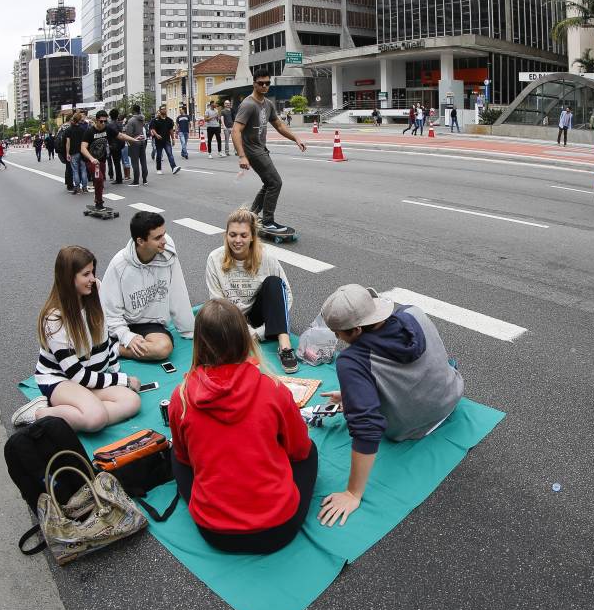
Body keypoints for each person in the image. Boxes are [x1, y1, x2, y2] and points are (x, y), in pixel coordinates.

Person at [168, 299, 317, 554]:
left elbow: (185, 459)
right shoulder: (274, 390)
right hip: (279, 529)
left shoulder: (181, 397)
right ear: (245, 338)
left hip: (214, 532)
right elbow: (299, 451)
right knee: (310, 451)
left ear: (199, 343)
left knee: (176, 455)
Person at [315, 285, 463, 526]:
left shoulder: (351, 361)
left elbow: (367, 427)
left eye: (338, 332)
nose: (336, 338)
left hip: (412, 428)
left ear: (356, 330)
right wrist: (351, 394)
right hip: (450, 396)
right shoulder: (414, 312)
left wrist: (353, 493)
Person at [13, 245, 143, 430]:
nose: (93, 279)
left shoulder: (95, 289)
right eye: (86, 274)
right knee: (95, 418)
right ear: (69, 278)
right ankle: (40, 412)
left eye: (92, 272)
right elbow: (76, 375)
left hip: (89, 377)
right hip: (62, 379)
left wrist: (115, 371)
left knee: (132, 401)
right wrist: (123, 380)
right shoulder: (54, 319)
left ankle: (77, 413)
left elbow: (104, 339)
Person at [205, 208, 299, 373]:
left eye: (243, 235)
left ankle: (285, 346)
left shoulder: (267, 258)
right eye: (232, 235)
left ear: (253, 237)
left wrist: (257, 333)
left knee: (274, 282)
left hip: (259, 316)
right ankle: (252, 335)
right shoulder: (214, 258)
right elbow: (217, 300)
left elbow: (286, 296)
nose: (237, 240)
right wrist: (243, 330)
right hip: (231, 318)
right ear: (226, 235)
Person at [101, 211, 195, 362]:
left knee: (163, 348)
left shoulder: (167, 252)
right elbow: (109, 312)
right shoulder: (119, 265)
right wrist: (126, 336)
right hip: (123, 323)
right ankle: (115, 347)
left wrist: (190, 331)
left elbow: (178, 292)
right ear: (140, 241)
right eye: (157, 238)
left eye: (164, 234)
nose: (164, 240)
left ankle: (115, 348)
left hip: (150, 324)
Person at [232, 69, 308, 236]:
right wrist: (242, 155)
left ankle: (251, 216)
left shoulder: (267, 104)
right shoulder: (248, 104)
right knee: (275, 182)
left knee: (269, 183)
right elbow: (235, 130)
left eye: (267, 83)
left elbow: (279, 125)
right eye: (261, 83)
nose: (264, 86)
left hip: (261, 148)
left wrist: (295, 138)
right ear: (254, 84)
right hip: (252, 151)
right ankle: (268, 221)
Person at [149, 105, 181, 175]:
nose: (164, 110)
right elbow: (153, 129)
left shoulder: (169, 120)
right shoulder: (155, 120)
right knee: (159, 155)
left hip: (167, 140)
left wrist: (173, 139)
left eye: (165, 109)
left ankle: (174, 167)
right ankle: (159, 169)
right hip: (158, 140)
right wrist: (156, 135)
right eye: (162, 109)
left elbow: (171, 130)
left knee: (170, 154)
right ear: (160, 111)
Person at [123, 105, 150, 185]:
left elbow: (128, 133)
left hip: (134, 141)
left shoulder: (131, 120)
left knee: (135, 162)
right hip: (142, 140)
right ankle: (145, 179)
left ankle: (136, 181)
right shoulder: (142, 118)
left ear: (133, 110)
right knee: (143, 161)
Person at [64, 111, 89, 193]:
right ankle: (85, 187)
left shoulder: (69, 130)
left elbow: (68, 143)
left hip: (73, 152)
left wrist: (67, 153)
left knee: (75, 170)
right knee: (83, 169)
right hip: (82, 152)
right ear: (79, 120)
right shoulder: (83, 129)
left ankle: (77, 187)